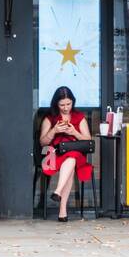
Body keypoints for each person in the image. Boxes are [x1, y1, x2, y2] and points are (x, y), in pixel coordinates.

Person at [38, 85, 93, 222]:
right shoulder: (50, 118)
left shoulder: (79, 117)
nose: (65, 107)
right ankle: (62, 210)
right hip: (54, 153)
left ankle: (58, 192)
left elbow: (88, 140)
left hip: (74, 152)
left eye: (68, 104)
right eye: (62, 104)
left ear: (73, 102)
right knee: (70, 162)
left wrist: (74, 132)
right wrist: (54, 131)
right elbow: (43, 142)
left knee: (72, 156)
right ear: (56, 103)